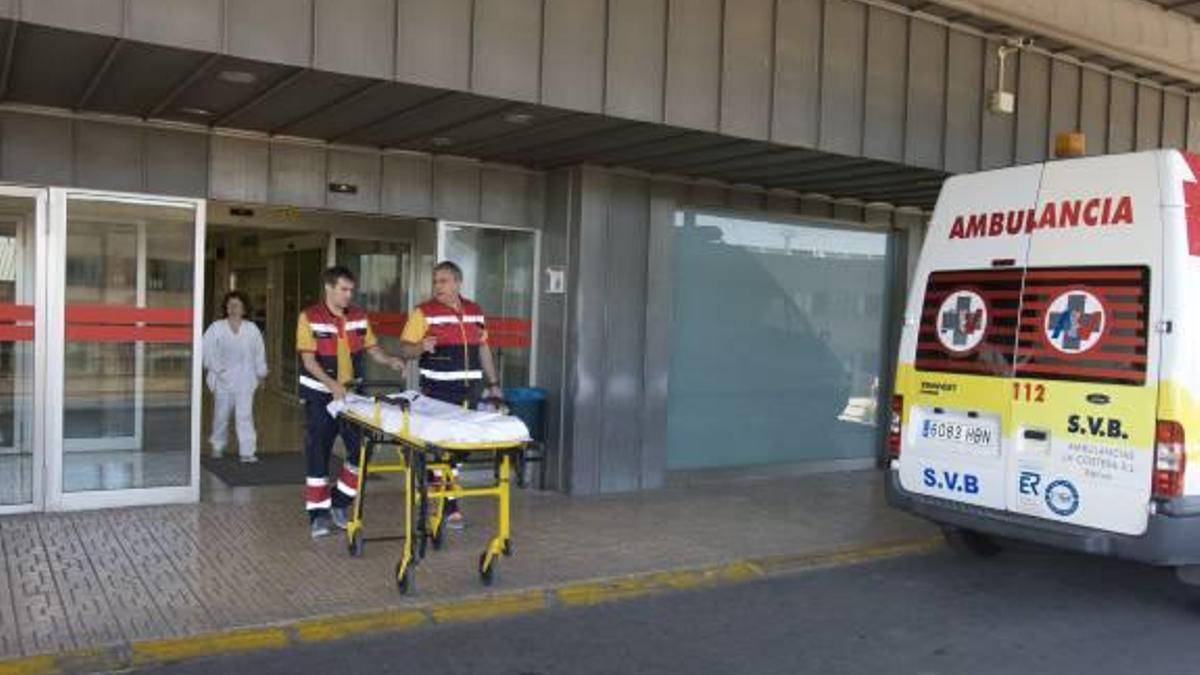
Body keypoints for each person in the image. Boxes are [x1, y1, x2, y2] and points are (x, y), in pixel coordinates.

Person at [298, 266, 406, 539]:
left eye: (351, 290)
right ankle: (318, 516)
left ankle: (340, 503)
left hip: (351, 396)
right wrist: (331, 384)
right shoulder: (309, 317)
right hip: (320, 396)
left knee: (360, 451)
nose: (348, 295)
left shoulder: (358, 317)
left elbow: (372, 349)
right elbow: (309, 361)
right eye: (343, 290)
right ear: (329, 288)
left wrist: (390, 359)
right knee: (318, 454)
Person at [400, 261, 504, 528]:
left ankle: (426, 472)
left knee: (461, 446)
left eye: (443, 281)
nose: (438, 286)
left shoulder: (474, 311)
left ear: (458, 283)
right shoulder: (423, 312)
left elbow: (483, 349)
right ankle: (449, 505)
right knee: (444, 446)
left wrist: (494, 385)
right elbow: (405, 350)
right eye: (435, 281)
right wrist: (421, 346)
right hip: (438, 392)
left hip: (470, 391)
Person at [203, 291, 267, 464]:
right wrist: (218, 369)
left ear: (244, 309)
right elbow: (206, 351)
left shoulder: (252, 329)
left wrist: (261, 373)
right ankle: (217, 446)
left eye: (237, 305)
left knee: (245, 415)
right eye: (229, 305)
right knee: (221, 415)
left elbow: (259, 353)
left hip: (246, 379)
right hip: (223, 379)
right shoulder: (216, 327)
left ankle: (247, 451)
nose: (232, 308)